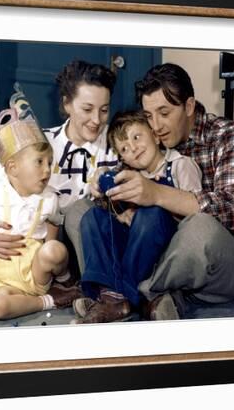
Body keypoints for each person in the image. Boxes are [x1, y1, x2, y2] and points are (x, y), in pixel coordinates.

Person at [0, 60, 117, 317]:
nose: (96, 120)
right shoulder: (36, 141)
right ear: (66, 105)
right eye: (87, 109)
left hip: (29, 255)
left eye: (104, 110)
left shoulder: (117, 151)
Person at [103, 63, 234, 320]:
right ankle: (160, 298)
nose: (155, 126)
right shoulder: (153, 142)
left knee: (201, 228)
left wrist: (156, 194)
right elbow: (125, 168)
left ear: (189, 106)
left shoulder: (227, 135)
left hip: (224, 258)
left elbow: (233, 210)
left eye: (164, 113)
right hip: (168, 253)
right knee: (81, 213)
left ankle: (126, 293)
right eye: (149, 116)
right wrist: (106, 182)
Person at [0, 101, 82, 320]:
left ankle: (66, 282)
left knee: (54, 250)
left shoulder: (48, 199)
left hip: (36, 275)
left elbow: (54, 222)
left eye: (49, 163)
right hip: (3, 282)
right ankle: (47, 301)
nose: (47, 170)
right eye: (39, 162)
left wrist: (50, 249)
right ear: (12, 168)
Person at [73, 111, 202, 323]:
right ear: (122, 158)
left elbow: (195, 218)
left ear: (155, 135)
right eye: (124, 148)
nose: (132, 148)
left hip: (166, 248)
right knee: (93, 217)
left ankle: (118, 299)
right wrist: (119, 209)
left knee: (151, 214)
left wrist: (153, 204)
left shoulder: (180, 165)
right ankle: (110, 294)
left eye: (136, 137)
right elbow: (109, 204)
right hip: (135, 247)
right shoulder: (130, 174)